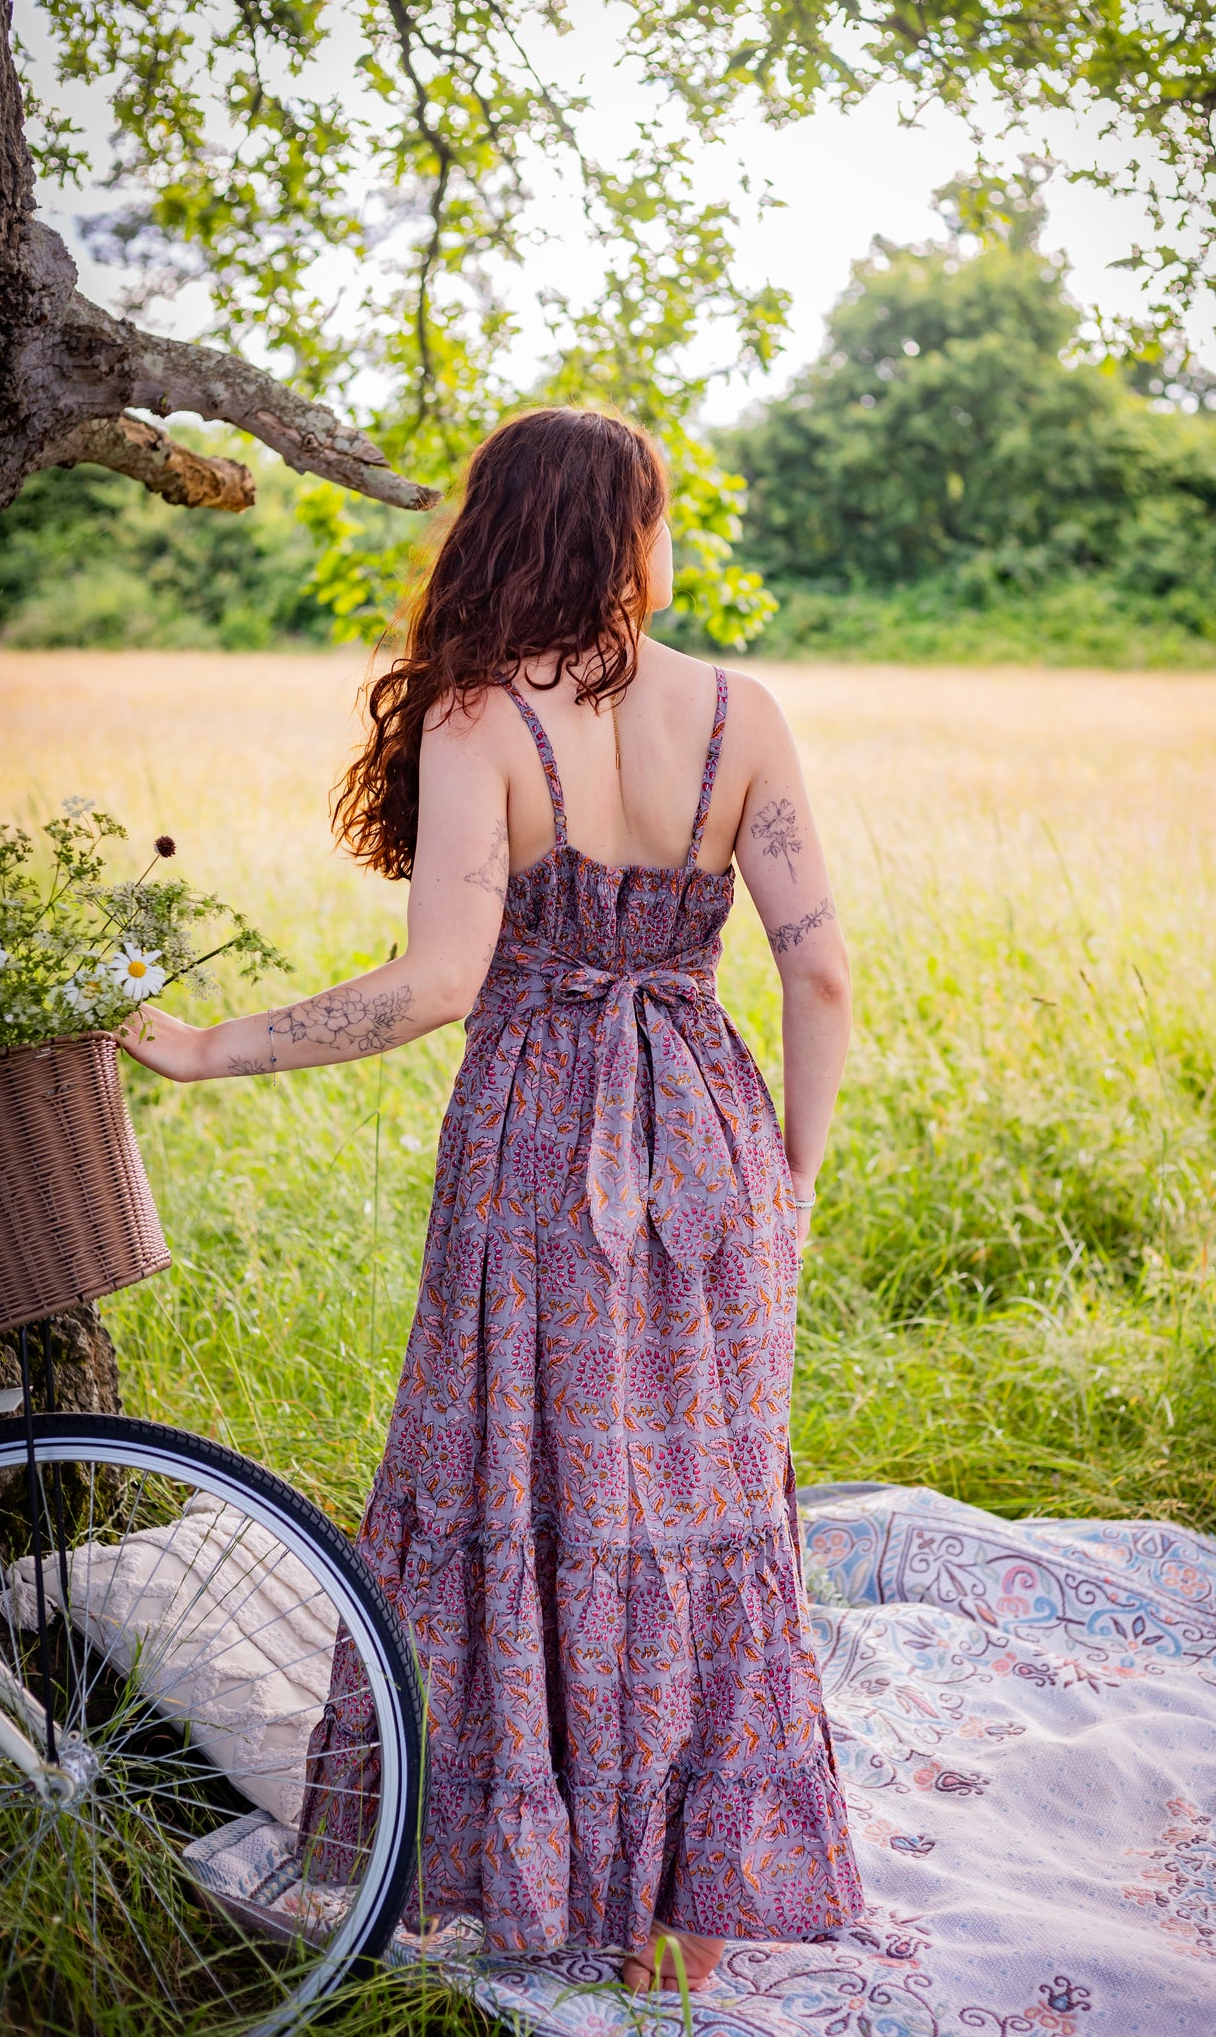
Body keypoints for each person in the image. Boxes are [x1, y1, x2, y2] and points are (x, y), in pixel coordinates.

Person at [123, 406, 863, 1991]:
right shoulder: (745, 712)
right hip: (713, 1144)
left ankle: (518, 1867)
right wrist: (790, 1175)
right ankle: (689, 1908)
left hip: (537, 1153)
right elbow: (819, 966)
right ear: (631, 538)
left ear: (504, 535)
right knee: (697, 1501)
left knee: (524, 1497)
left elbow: (433, 984)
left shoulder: (477, 721)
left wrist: (204, 1050)